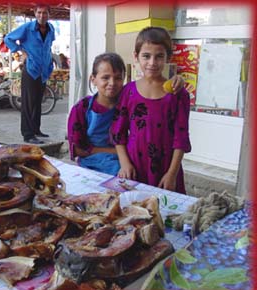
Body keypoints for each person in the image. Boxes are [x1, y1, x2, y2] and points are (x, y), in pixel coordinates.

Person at [68, 52, 185, 176]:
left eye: (118, 78)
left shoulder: (129, 100)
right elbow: (78, 150)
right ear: (93, 79)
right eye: (105, 78)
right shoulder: (81, 108)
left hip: (126, 159)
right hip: (92, 163)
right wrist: (115, 152)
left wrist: (177, 80)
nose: (112, 83)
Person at [110, 27, 191, 193]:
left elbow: (181, 138)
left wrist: (172, 173)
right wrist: (125, 163)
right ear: (136, 56)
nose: (152, 63)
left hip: (166, 168)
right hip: (134, 167)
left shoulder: (178, 94)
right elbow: (118, 132)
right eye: (146, 56)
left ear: (168, 57)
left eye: (159, 56)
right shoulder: (128, 92)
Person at [4, 4, 55, 144]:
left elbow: (48, 46)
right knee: (28, 103)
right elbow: (8, 38)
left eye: (45, 13)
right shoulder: (27, 28)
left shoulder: (51, 29)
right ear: (35, 13)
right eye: (39, 12)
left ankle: (36, 130)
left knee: (38, 101)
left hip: (44, 71)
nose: (42, 15)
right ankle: (28, 134)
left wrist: (50, 62)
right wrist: (21, 51)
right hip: (31, 69)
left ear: (49, 14)